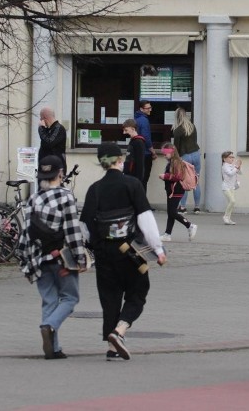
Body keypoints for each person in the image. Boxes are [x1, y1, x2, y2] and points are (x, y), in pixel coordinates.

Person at [80, 142, 166, 361]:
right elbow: (145, 219)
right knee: (138, 293)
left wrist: (93, 249)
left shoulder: (94, 189)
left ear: (101, 163)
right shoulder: (132, 184)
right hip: (130, 251)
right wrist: (158, 249)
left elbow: (85, 228)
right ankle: (120, 330)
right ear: (120, 160)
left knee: (109, 298)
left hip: (104, 253)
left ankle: (111, 346)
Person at [15, 155, 88, 360]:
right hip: (62, 258)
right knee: (70, 298)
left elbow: (26, 232)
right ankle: (50, 325)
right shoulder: (66, 197)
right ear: (61, 173)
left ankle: (53, 349)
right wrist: (80, 258)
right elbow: (72, 230)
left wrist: (24, 259)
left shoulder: (33, 198)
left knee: (49, 301)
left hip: (39, 259)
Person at [157, 142, 198, 242]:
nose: (164, 155)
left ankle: (190, 225)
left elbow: (178, 176)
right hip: (172, 190)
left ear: (171, 152)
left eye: (165, 153)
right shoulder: (173, 162)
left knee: (172, 212)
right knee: (171, 212)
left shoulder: (176, 162)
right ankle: (167, 234)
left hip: (176, 190)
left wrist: (165, 176)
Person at [172, 107, 201, 214]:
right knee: (196, 181)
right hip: (196, 153)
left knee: (184, 182)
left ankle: (183, 207)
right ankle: (197, 207)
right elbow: (195, 141)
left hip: (185, 156)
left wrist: (175, 160)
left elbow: (176, 147)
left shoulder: (177, 130)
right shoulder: (192, 127)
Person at [134, 101, 157, 191]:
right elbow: (146, 137)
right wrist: (153, 151)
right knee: (144, 180)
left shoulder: (136, 119)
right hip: (145, 153)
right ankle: (142, 203)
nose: (150, 110)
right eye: (147, 108)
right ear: (141, 109)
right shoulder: (144, 120)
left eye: (150, 107)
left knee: (139, 179)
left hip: (138, 152)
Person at [38, 107, 67, 173]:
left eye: (41, 118)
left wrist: (41, 128)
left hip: (55, 171)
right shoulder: (48, 130)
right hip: (46, 169)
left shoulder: (59, 128)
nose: (40, 120)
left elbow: (49, 143)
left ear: (45, 118)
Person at [221, 151, 241, 225]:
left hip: (232, 187)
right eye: (230, 157)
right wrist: (236, 167)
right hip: (226, 187)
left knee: (232, 203)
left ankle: (228, 218)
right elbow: (230, 173)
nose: (232, 159)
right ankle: (225, 216)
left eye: (233, 157)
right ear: (224, 159)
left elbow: (239, 173)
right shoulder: (225, 166)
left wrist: (239, 167)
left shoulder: (232, 165)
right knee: (232, 201)